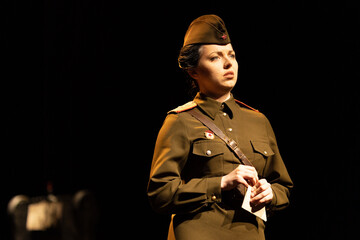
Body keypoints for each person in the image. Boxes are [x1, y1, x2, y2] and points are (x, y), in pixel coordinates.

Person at [147, 14, 293, 240]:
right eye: (215, 58)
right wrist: (220, 183)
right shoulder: (180, 121)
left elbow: (283, 186)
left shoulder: (258, 121)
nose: (228, 63)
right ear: (193, 71)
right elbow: (160, 194)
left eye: (232, 55)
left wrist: (270, 193)